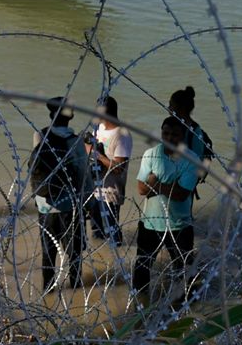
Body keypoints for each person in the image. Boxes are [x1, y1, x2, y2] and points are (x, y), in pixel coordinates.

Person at [132, 115, 200, 299]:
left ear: (183, 136)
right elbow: (141, 189)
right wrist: (169, 184)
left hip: (179, 225)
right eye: (166, 133)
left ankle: (187, 309)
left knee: (185, 272)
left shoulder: (192, 159)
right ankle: (139, 306)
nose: (169, 138)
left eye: (175, 135)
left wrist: (155, 182)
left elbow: (180, 195)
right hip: (150, 223)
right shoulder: (151, 153)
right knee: (142, 269)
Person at [30, 97, 91, 292]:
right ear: (69, 117)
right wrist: (87, 203)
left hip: (45, 203)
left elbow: (36, 169)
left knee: (48, 252)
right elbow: (83, 174)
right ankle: (76, 289)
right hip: (69, 205)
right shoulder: (75, 141)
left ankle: (47, 292)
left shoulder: (39, 135)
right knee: (74, 253)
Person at [86, 95, 133, 244]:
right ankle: (102, 260)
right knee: (96, 234)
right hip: (94, 190)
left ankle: (115, 263)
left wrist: (96, 154)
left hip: (110, 193)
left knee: (112, 236)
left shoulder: (122, 135)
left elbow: (119, 168)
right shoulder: (99, 128)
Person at [168, 86, 214, 194]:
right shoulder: (175, 128)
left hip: (184, 186)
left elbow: (195, 162)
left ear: (181, 109)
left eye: (171, 105)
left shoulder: (195, 133)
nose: (168, 108)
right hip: (173, 181)